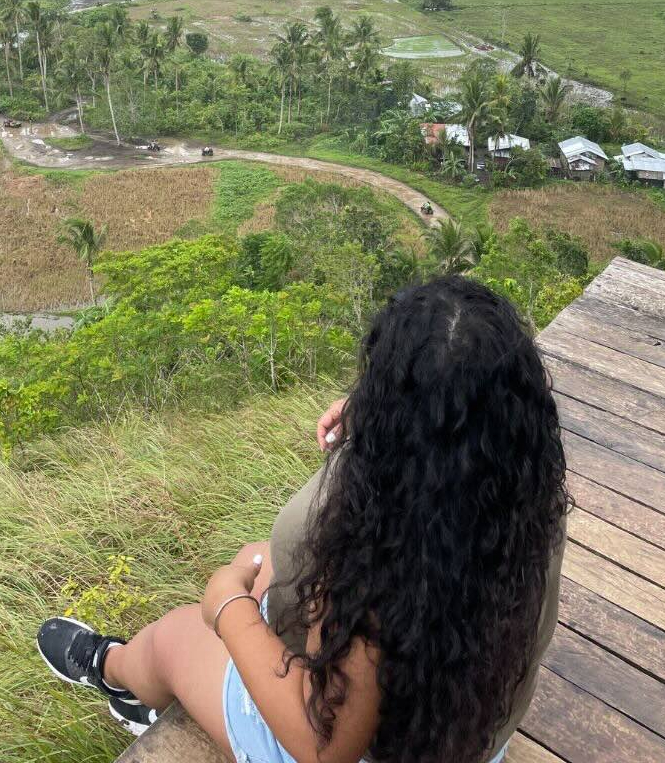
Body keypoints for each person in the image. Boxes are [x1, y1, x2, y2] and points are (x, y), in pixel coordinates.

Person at [37, 276, 568, 763]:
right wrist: (388, 418)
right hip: (463, 730)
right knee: (257, 556)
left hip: (356, 744)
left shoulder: (382, 571)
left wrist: (226, 605)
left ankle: (112, 673)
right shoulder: (523, 495)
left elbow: (324, 746)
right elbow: (458, 421)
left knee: (172, 639)